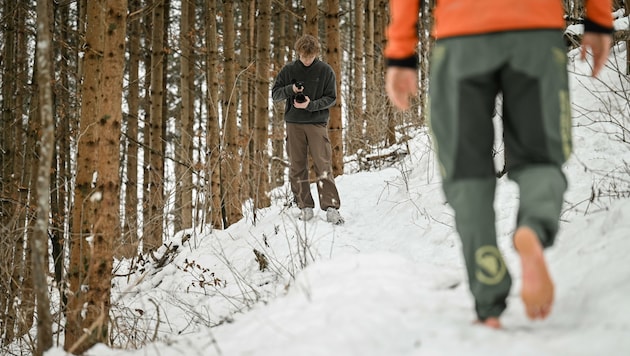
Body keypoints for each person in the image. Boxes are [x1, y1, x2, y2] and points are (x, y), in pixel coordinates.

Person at [385, 0, 613, 328]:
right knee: (540, 156)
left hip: (462, 36)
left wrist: (401, 53)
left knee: (466, 171)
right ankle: (532, 229)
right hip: (535, 31)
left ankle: (488, 298)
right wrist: (599, 21)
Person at [272, 34, 344, 225]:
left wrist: (310, 105)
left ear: (316, 54)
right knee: (297, 166)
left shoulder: (325, 70)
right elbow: (275, 94)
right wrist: (291, 90)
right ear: (298, 53)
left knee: (323, 164)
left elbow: (331, 98)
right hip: (294, 124)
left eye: (309, 57)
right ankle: (305, 206)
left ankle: (331, 207)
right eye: (303, 56)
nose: (306, 60)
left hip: (316, 123)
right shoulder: (289, 70)